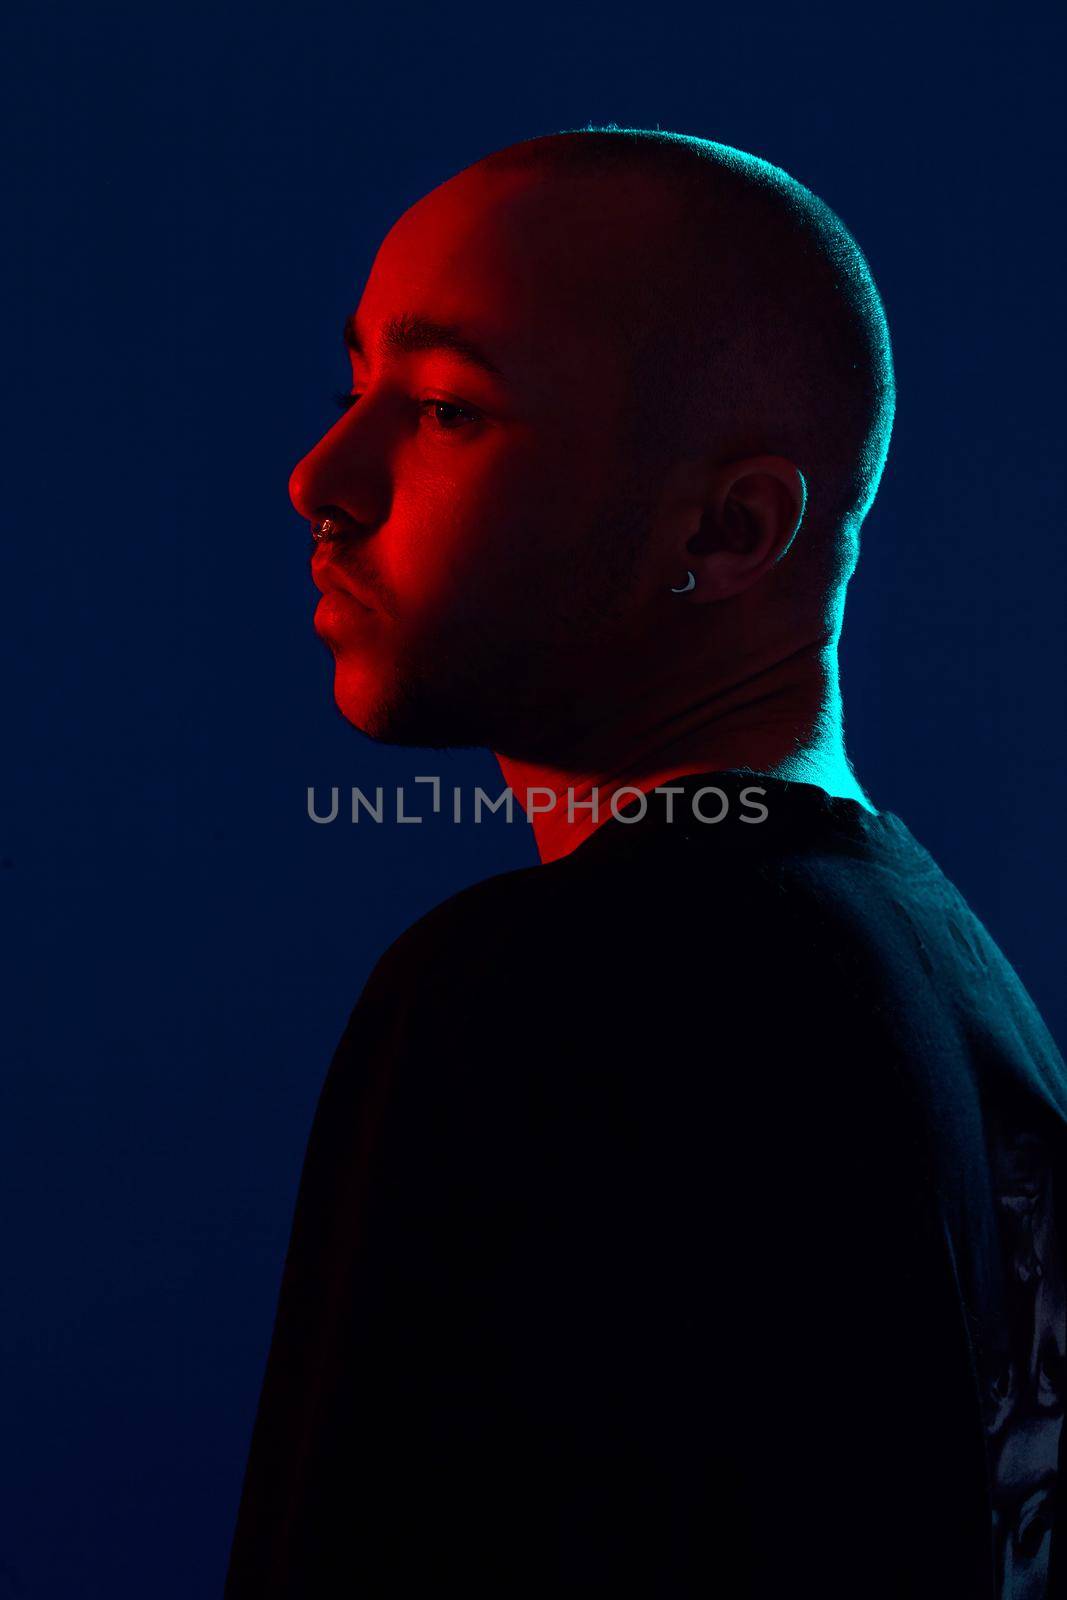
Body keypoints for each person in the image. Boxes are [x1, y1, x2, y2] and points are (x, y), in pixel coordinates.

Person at [225, 128, 1067, 1597]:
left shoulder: (544, 991)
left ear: (729, 529)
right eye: (358, 382)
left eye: (441, 408)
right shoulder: (957, 988)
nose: (321, 476)